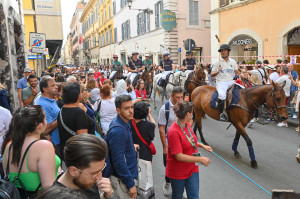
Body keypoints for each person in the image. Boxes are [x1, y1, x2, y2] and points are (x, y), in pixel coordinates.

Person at [2, 106, 61, 198]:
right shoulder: (43, 146)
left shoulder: (9, 146)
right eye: (45, 119)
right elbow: (49, 190)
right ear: (40, 125)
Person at [167, 101, 212, 199]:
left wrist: (202, 145)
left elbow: (189, 140)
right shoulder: (173, 131)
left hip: (192, 168)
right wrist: (200, 159)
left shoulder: (186, 125)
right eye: (192, 112)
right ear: (188, 114)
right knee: (177, 196)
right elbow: (179, 156)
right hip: (178, 171)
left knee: (194, 196)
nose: (193, 114)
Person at [53, 134, 113, 199]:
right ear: (73, 171)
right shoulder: (58, 196)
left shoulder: (85, 179)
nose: (99, 178)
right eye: (94, 173)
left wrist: (105, 196)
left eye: (101, 169)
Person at [106, 95, 138, 199]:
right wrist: (130, 184)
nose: (131, 111)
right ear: (118, 110)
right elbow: (118, 161)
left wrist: (130, 147)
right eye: (127, 108)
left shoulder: (123, 122)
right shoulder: (118, 131)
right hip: (122, 181)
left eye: (132, 107)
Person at [158, 86, 184, 196]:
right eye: (178, 97)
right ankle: (167, 183)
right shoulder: (165, 109)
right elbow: (161, 129)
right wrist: (165, 147)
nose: (180, 100)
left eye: (182, 97)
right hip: (170, 143)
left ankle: (183, 187)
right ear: (172, 96)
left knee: (183, 165)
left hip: (182, 142)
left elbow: (189, 121)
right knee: (170, 167)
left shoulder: (183, 106)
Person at [57, 82, 93, 159]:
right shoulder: (78, 112)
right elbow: (83, 138)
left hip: (67, 152)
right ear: (77, 95)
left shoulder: (62, 109)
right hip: (79, 155)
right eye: (80, 92)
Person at [211, 44, 239, 121]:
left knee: (243, 90)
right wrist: (217, 71)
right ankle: (222, 113)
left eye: (224, 50)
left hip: (231, 81)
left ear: (228, 51)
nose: (223, 52)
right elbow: (212, 74)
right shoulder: (217, 62)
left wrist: (242, 74)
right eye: (221, 51)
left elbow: (237, 72)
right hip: (221, 82)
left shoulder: (233, 62)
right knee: (222, 95)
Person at [36, 76, 61, 157]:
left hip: (57, 141)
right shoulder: (43, 104)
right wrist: (61, 117)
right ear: (44, 89)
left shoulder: (52, 100)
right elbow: (46, 129)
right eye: (53, 86)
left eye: (56, 85)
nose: (56, 87)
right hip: (52, 143)